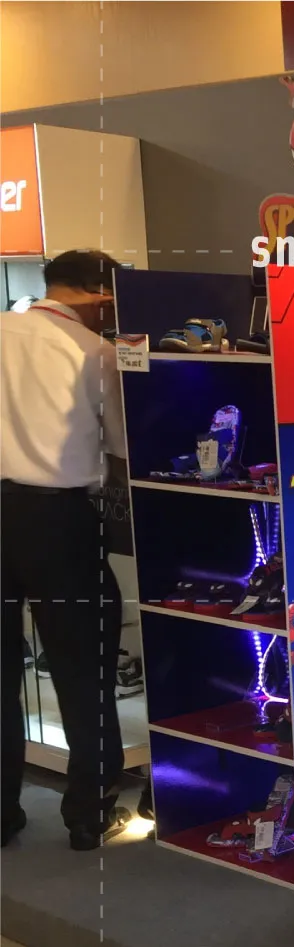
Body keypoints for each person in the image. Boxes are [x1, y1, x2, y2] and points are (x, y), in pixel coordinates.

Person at [1, 249, 130, 849]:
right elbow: (122, 446)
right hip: (56, 519)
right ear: (97, 295)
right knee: (83, 667)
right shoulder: (95, 352)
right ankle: (87, 813)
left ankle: (3, 814)